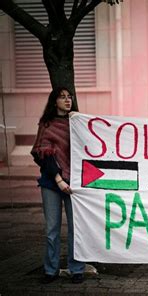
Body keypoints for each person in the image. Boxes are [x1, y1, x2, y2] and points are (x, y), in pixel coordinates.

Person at [30, 87, 85, 284]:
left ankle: (77, 269)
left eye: (69, 96)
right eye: (62, 97)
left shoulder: (77, 123)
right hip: (51, 183)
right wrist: (59, 179)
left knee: (75, 229)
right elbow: (41, 153)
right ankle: (50, 270)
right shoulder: (47, 124)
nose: (67, 100)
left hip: (75, 184)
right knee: (52, 230)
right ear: (55, 101)